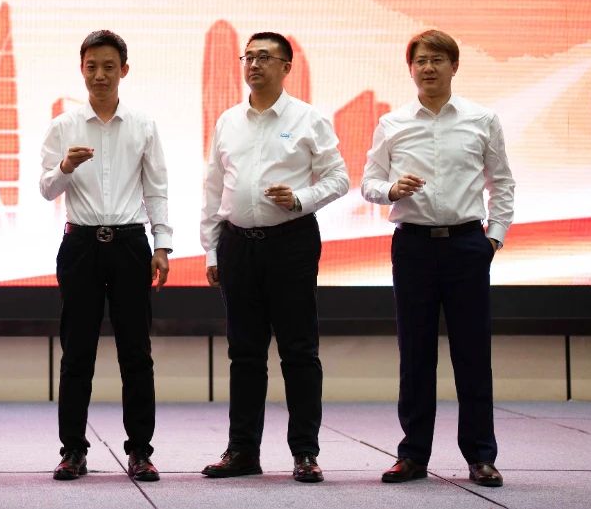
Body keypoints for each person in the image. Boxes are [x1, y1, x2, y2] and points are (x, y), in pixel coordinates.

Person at [362, 29, 514, 488]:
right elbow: (369, 182)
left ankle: (481, 457)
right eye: (421, 61)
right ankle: (412, 455)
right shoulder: (392, 123)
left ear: (454, 66)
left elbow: (502, 183)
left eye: (437, 59)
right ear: (410, 69)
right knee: (415, 353)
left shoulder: (482, 119)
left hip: (467, 245)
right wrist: (391, 189)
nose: (428, 68)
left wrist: (493, 238)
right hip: (413, 247)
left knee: (473, 353)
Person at [200, 31, 348, 483]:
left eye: (264, 57)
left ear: (286, 67)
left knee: (298, 350)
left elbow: (339, 179)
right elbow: (213, 187)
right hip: (237, 245)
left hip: (291, 243)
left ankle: (305, 452)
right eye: (248, 56)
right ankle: (242, 451)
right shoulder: (228, 121)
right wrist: (211, 248)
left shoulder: (308, 119)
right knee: (244, 353)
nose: (254, 64)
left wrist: (301, 198)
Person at [39, 29, 171, 482]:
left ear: (124, 71)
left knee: (137, 353)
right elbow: (45, 188)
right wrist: (65, 166)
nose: (100, 75)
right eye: (92, 66)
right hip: (81, 246)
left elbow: (156, 188)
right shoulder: (63, 126)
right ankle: (73, 450)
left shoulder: (143, 124)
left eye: (109, 67)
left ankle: (140, 452)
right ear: (82, 69)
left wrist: (163, 244)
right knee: (77, 352)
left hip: (131, 244)